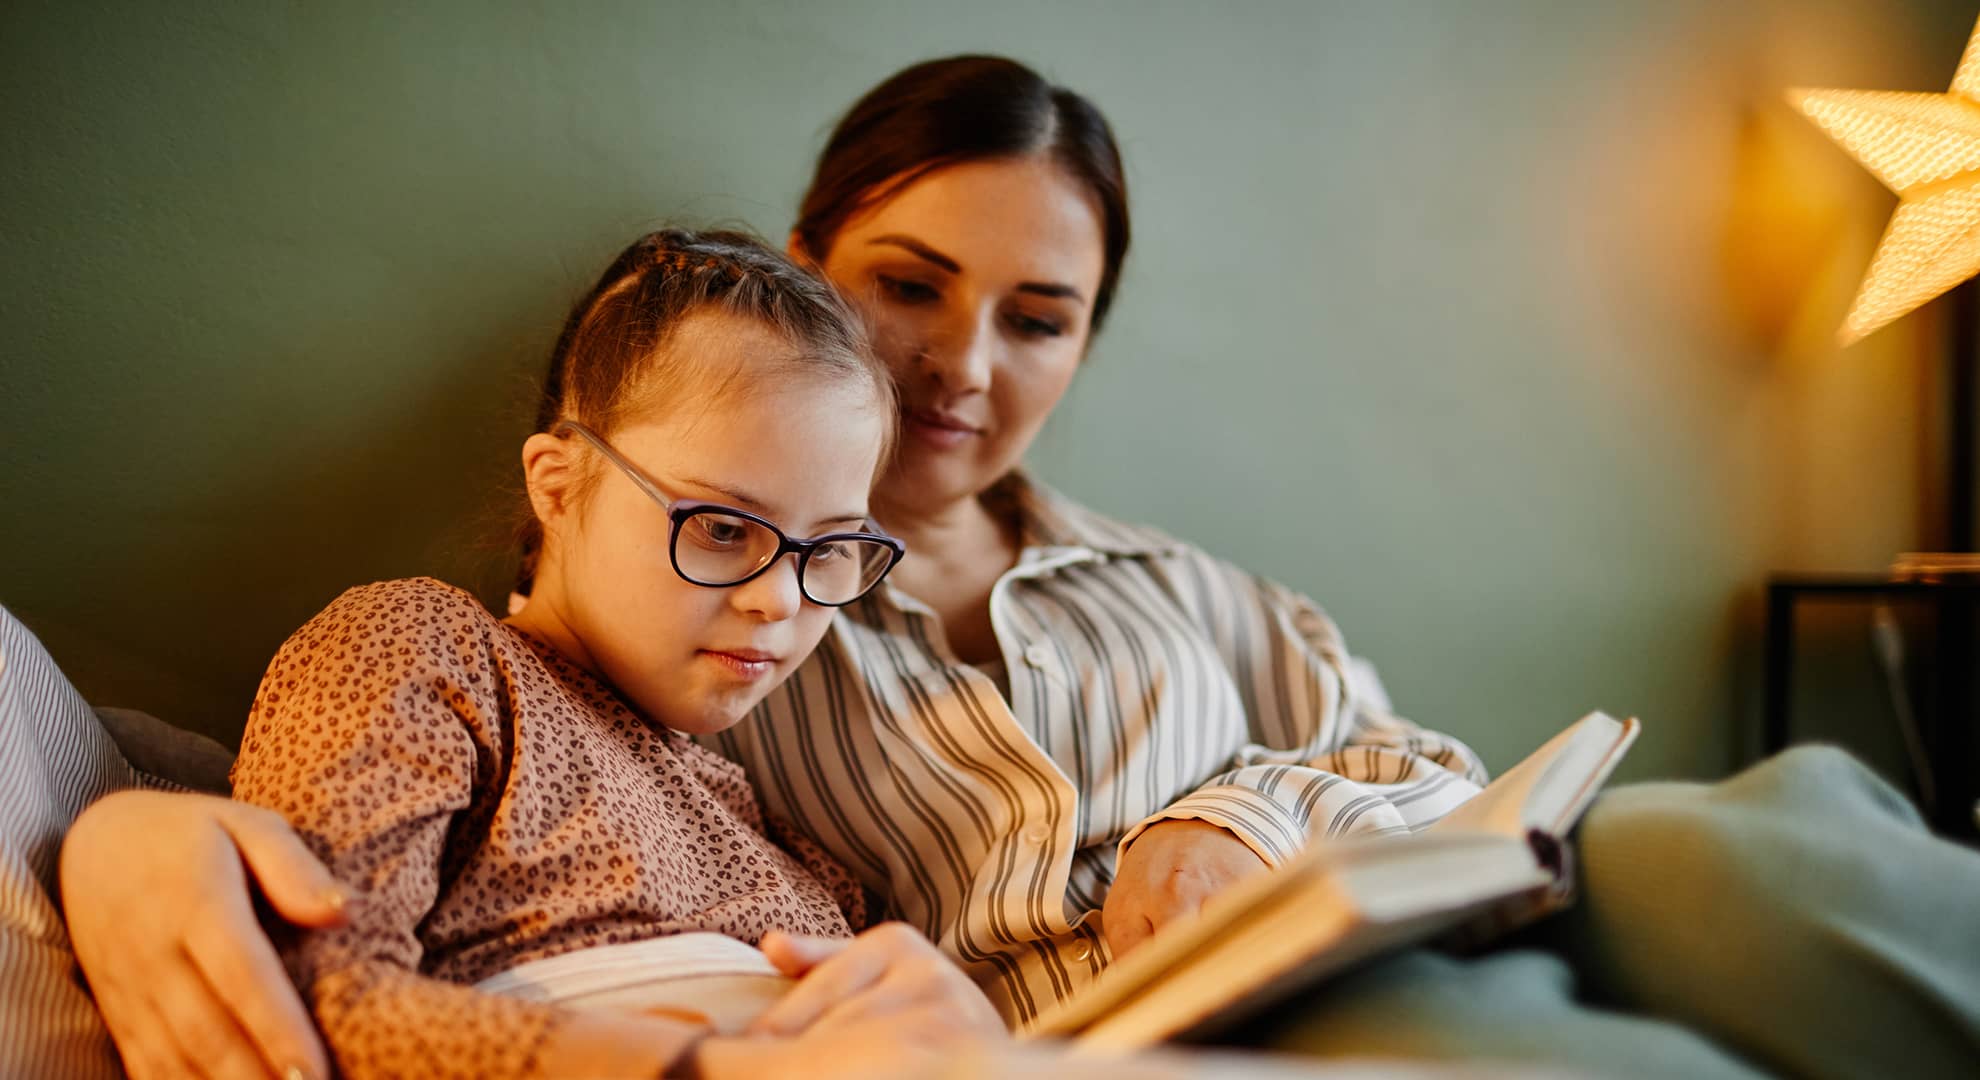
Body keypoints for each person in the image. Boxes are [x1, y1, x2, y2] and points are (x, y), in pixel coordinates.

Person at [61, 55, 1980, 1080]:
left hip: (1409, 910)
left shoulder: (1179, 585)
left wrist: (1237, 815)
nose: (967, 365)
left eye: (1040, 318)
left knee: (1742, 828)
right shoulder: (746, 653)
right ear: (815, 270)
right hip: (1165, 1025)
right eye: (907, 289)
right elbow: (353, 870)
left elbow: (1425, 773)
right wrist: (119, 829)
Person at [83, 226, 1014, 1080]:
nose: (779, 597)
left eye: (826, 550)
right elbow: (316, 1002)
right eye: (724, 527)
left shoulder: (783, 844)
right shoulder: (430, 651)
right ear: (560, 486)